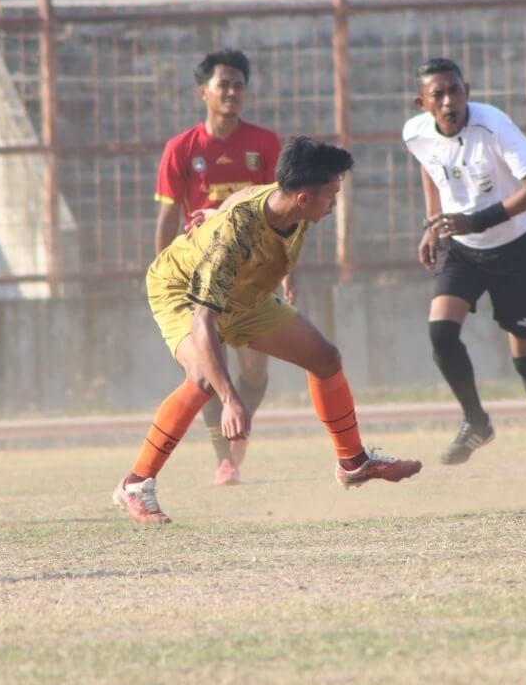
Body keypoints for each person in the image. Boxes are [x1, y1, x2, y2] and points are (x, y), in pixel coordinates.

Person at [117, 136, 421, 525]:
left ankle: (353, 462)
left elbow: (243, 195)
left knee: (325, 359)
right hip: (182, 289)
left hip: (246, 293)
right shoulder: (234, 237)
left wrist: (213, 213)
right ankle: (136, 483)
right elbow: (203, 319)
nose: (333, 205)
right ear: (303, 199)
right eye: (331, 196)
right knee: (202, 379)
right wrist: (230, 397)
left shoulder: (284, 201)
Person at [401, 58, 526, 466]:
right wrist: (430, 224)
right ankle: (476, 421)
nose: (449, 100)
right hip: (461, 249)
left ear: (467, 91)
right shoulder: (415, 133)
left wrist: (476, 219)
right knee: (440, 333)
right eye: (438, 95)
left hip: (515, 246)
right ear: (422, 103)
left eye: (455, 90)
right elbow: (430, 168)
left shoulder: (493, 125)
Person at [153, 48, 283, 486]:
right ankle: (224, 458)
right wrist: (165, 272)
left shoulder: (265, 144)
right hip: (202, 271)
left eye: (239, 84)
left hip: (255, 272)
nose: (231, 91)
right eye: (223, 84)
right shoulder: (182, 149)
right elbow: (169, 216)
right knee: (208, 368)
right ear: (203, 92)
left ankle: (238, 422)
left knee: (254, 370)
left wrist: (288, 272)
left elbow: (282, 213)